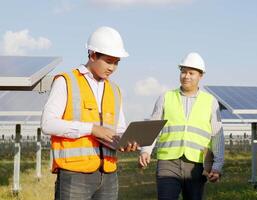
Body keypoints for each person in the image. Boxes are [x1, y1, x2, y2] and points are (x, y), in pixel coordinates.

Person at [41, 26, 137, 200]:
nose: (113, 68)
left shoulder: (115, 90)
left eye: (116, 62)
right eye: (109, 61)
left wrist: (124, 141)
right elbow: (48, 124)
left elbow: (119, 128)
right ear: (92, 55)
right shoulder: (66, 81)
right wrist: (91, 129)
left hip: (109, 175)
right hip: (74, 175)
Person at [138, 52, 225, 200]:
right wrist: (145, 151)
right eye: (183, 72)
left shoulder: (210, 102)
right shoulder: (166, 97)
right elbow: (153, 126)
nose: (186, 76)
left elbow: (217, 135)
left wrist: (217, 166)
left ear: (200, 76)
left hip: (197, 165)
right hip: (168, 163)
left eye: (191, 73)